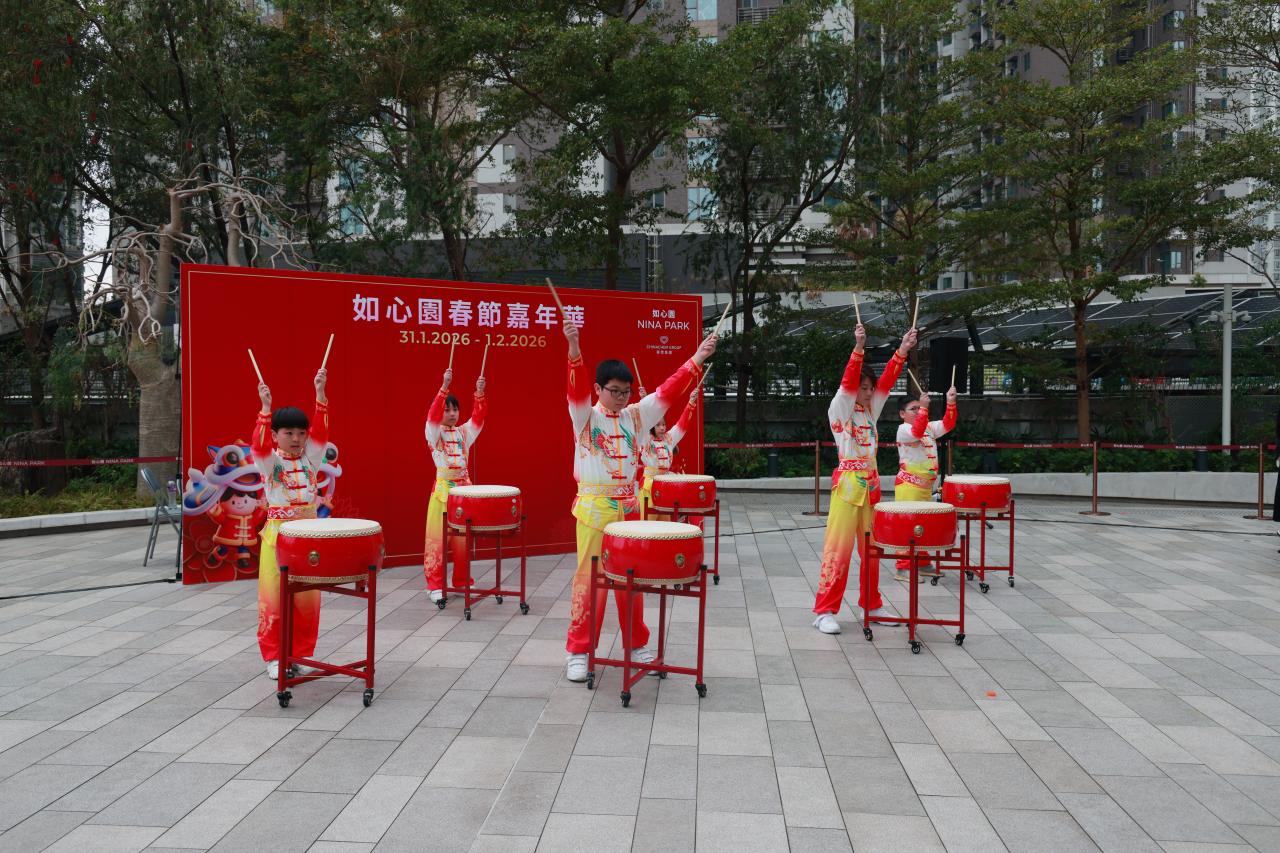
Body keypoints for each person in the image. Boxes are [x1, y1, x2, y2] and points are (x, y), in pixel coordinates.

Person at [563, 321, 716, 682]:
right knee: (589, 579)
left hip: (629, 509)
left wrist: (697, 357)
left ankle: (636, 644)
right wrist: (574, 349)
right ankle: (579, 650)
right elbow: (574, 390)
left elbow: (667, 391)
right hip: (594, 510)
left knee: (632, 580)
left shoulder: (636, 416)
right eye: (614, 391)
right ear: (598, 389)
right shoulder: (584, 417)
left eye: (626, 391)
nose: (621, 397)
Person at [812, 323, 917, 634]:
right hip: (847, 488)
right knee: (838, 550)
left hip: (871, 487)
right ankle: (824, 611)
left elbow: (887, 382)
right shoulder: (839, 409)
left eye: (871, 389)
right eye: (865, 388)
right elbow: (847, 383)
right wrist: (858, 348)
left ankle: (871, 604)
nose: (870, 393)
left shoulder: (871, 411)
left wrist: (903, 350)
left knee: (872, 550)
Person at [251, 369, 330, 679]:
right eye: (288, 433)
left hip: (308, 535)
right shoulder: (269, 462)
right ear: (275, 435)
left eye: (301, 433)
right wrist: (265, 409)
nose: (296, 439)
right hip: (278, 537)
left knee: (308, 597)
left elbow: (321, 433)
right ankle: (274, 656)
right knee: (274, 597)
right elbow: (257, 447)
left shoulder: (312, 459)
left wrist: (320, 395)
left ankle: (300, 653)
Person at [423, 369, 487, 603]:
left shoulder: (463, 433)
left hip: (463, 493)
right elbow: (431, 418)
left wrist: (479, 393)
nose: (451, 414)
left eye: (455, 409)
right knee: (437, 540)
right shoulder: (433, 433)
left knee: (463, 540)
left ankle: (461, 581)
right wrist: (444, 387)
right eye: (447, 410)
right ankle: (434, 585)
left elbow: (478, 420)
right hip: (442, 492)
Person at [892, 385, 958, 581]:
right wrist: (924, 408)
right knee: (908, 526)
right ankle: (903, 567)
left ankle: (921, 562)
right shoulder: (903, 429)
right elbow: (917, 431)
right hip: (909, 486)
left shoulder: (928, 427)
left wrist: (951, 402)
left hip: (924, 488)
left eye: (917, 408)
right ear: (902, 414)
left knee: (921, 525)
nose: (917, 411)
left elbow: (948, 424)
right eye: (912, 409)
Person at [638, 389, 699, 520]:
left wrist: (691, 402)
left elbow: (681, 424)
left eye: (664, 425)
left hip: (665, 485)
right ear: (652, 426)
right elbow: (644, 421)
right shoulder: (645, 439)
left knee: (665, 524)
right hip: (650, 485)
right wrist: (644, 400)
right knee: (648, 524)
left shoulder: (669, 439)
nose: (662, 428)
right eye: (658, 425)